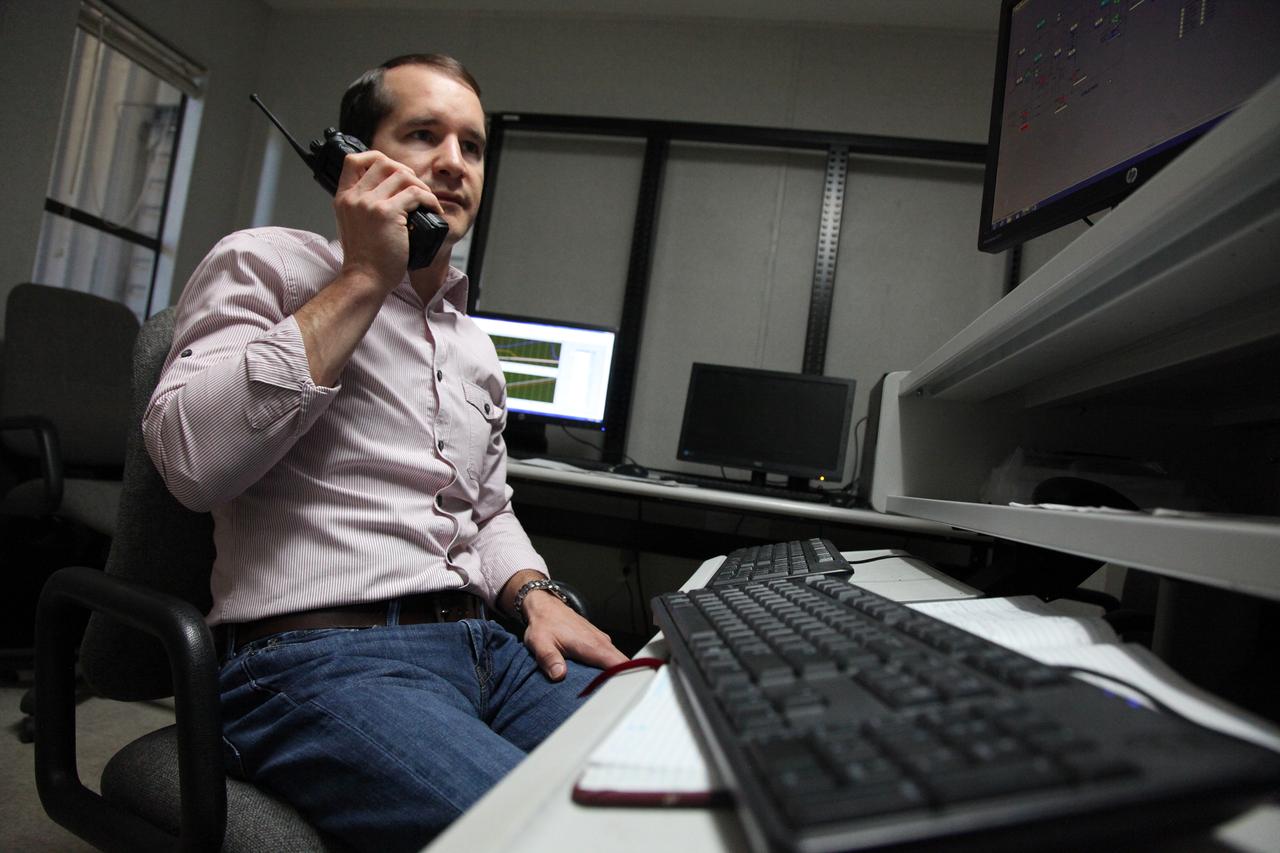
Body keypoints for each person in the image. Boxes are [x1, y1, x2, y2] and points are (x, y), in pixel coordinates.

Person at [143, 53, 628, 851]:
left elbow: (486, 509)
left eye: (471, 146)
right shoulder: (263, 262)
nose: (454, 163)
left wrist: (533, 590)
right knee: (550, 838)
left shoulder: (474, 345)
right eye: (424, 135)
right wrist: (366, 275)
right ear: (353, 155)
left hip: (483, 645)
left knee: (669, 768)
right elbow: (191, 462)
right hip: (313, 658)